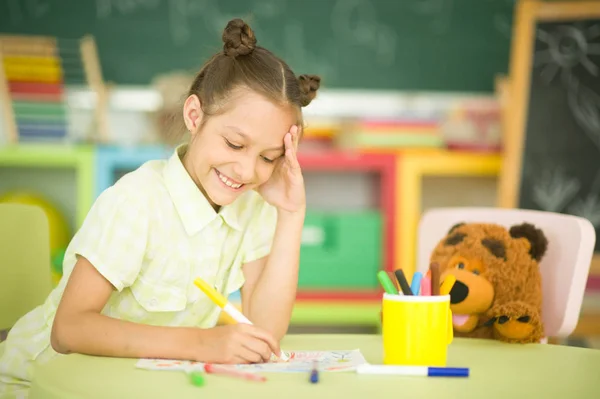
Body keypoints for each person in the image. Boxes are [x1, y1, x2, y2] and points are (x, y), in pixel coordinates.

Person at [0, 18, 321, 398]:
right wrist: (202, 344)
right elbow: (69, 330)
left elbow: (264, 331)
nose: (248, 170)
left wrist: (291, 214)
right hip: (39, 382)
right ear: (194, 116)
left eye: (268, 157)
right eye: (235, 145)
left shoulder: (252, 205)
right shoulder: (138, 200)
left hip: (132, 384)